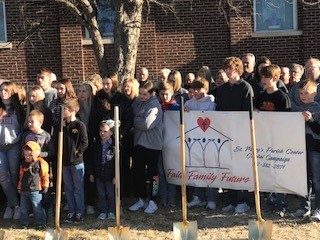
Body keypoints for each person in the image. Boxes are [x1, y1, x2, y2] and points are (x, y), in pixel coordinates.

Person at [215, 56, 253, 213]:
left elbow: (247, 113)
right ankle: (231, 200)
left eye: (230, 68)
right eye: (226, 68)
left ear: (237, 69)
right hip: (225, 135)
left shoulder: (246, 88)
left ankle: (242, 201)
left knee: (240, 169)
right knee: (228, 168)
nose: (228, 71)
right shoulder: (222, 89)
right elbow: (218, 111)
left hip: (240, 135)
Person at [256, 65, 291, 217]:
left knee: (278, 173)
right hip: (263, 140)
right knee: (266, 171)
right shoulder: (261, 96)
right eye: (262, 77)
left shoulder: (282, 97)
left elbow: (287, 121)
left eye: (266, 77)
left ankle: (280, 205)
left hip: (278, 141)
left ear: (275, 79)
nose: (263, 80)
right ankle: (269, 202)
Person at [91, 72, 133, 197]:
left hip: (117, 138)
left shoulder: (122, 99)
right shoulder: (99, 98)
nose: (105, 86)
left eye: (108, 83)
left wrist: (120, 134)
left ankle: (122, 194)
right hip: (102, 136)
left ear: (114, 83)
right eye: (103, 83)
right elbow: (94, 117)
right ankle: (104, 196)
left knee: (119, 165)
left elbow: (128, 119)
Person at [129, 81, 163, 214]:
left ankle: (153, 201)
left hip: (153, 145)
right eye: (140, 93)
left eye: (144, 94)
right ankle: (141, 198)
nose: (141, 96)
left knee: (153, 174)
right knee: (138, 172)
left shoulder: (155, 106)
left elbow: (147, 124)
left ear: (152, 93)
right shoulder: (137, 102)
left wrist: (136, 120)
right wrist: (138, 119)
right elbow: (133, 117)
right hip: (139, 143)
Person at [184, 78, 217, 210]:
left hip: (209, 142)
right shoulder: (188, 103)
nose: (196, 92)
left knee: (210, 170)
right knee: (196, 169)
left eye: (199, 89)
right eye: (194, 89)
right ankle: (197, 197)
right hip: (193, 141)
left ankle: (211, 198)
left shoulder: (211, 103)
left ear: (206, 89)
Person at [292, 80, 320, 220]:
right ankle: (304, 207)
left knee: (316, 180)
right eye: (301, 93)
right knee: (303, 180)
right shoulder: (297, 109)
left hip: (315, 149)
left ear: (315, 93)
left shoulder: (318, 109)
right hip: (300, 149)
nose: (303, 96)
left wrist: (310, 121)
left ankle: (318, 208)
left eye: (307, 93)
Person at [0, 81, 24, 220]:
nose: (3, 92)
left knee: (14, 178)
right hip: (0, 148)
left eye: (6, 90)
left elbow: (22, 127)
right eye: (1, 90)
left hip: (14, 146)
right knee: (3, 179)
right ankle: (16, 206)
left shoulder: (18, 109)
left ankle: (11, 206)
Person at [62, 99, 89, 223]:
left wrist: (77, 153)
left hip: (77, 163)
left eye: (65, 109)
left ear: (72, 110)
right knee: (68, 188)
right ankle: (71, 210)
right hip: (65, 163)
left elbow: (85, 142)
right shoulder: (62, 126)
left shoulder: (79, 125)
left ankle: (79, 211)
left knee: (78, 188)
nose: (62, 111)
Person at [18, 141, 49, 230]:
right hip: (24, 190)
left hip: (36, 190)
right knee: (23, 208)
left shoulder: (41, 163)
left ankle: (41, 223)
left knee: (37, 207)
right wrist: (19, 187)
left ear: (35, 154)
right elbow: (21, 176)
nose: (27, 157)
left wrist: (45, 186)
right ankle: (24, 223)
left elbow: (45, 175)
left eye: (30, 155)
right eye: (25, 155)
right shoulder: (23, 164)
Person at [157, 82, 179, 207]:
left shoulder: (175, 107)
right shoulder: (157, 107)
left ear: (172, 93)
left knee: (171, 172)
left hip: (172, 145)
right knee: (161, 172)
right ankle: (163, 197)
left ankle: (172, 198)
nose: (165, 96)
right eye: (162, 94)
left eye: (167, 94)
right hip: (160, 144)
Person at [89, 120, 116, 220]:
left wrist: (115, 176)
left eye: (105, 131)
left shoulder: (114, 146)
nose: (102, 133)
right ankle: (102, 211)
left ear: (111, 132)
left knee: (110, 194)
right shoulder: (96, 145)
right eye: (101, 131)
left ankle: (111, 211)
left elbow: (117, 163)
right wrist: (91, 173)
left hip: (109, 175)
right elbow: (92, 160)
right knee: (101, 194)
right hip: (99, 174)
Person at [77, 81, 97, 215]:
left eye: (84, 91)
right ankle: (80, 202)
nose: (81, 94)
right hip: (79, 144)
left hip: (93, 143)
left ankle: (90, 202)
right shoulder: (76, 107)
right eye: (80, 91)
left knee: (91, 173)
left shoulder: (95, 107)